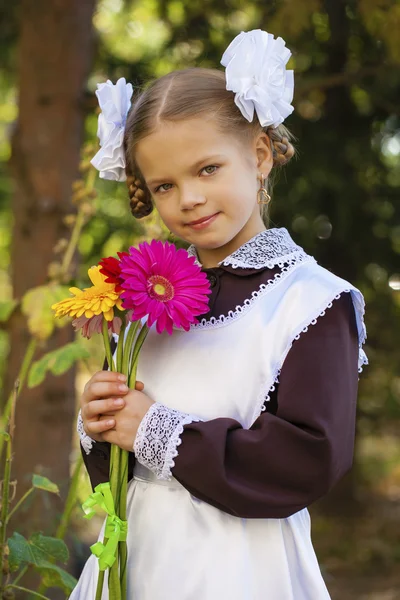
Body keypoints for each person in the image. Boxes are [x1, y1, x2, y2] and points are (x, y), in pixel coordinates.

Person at [71, 29, 368, 600]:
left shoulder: (310, 301)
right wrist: (104, 423)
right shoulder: (141, 304)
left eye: (207, 169)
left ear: (258, 156)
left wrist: (157, 429)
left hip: (240, 569)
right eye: (164, 185)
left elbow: (311, 458)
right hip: (134, 566)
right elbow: (120, 478)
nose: (189, 198)